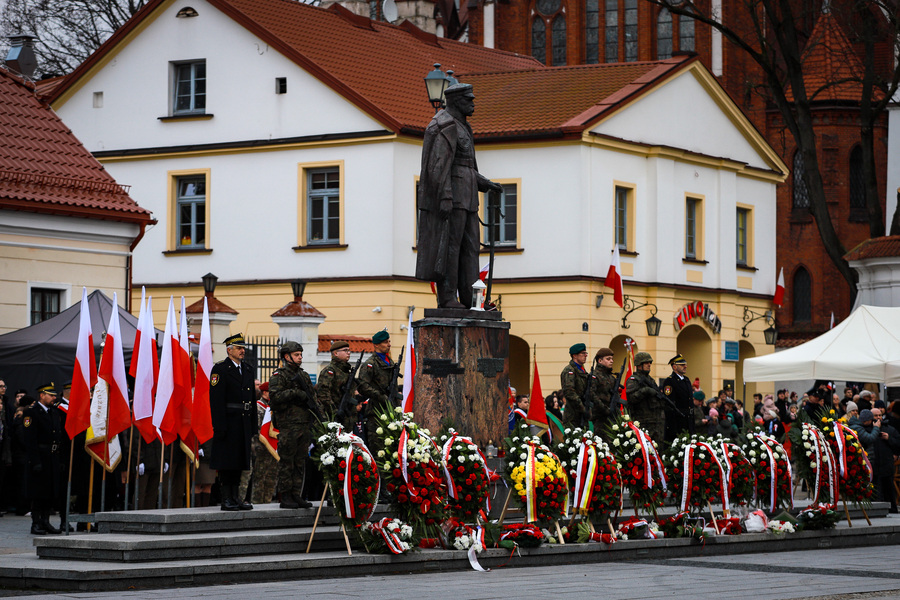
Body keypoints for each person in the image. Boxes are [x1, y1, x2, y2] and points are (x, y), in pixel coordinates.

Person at [415, 82, 504, 309]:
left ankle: (470, 298)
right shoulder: (443, 125)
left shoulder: (464, 126)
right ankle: (447, 297)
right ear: (455, 101)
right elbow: (437, 167)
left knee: (471, 248)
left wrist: (485, 184)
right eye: (469, 100)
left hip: (468, 198)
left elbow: (466, 167)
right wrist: (444, 197)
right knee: (450, 248)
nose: (473, 104)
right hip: (452, 198)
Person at [269, 341, 320, 509]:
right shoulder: (279, 375)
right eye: (297, 355)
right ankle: (285, 496)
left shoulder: (304, 375)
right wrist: (296, 393)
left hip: (304, 424)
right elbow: (275, 397)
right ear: (287, 356)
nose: (300, 358)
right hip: (289, 425)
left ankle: (297, 494)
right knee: (287, 462)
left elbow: (312, 397)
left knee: (300, 462)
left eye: (300, 355)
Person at [209, 333, 256, 512]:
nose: (242, 351)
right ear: (229, 350)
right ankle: (226, 498)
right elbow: (216, 400)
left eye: (243, 348)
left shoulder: (248, 369)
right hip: (228, 422)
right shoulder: (220, 369)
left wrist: (252, 425)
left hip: (243, 422)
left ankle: (236, 497)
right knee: (227, 462)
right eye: (239, 348)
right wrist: (219, 426)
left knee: (240, 462)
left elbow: (251, 398)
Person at [22, 383, 64, 534]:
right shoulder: (32, 413)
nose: (54, 397)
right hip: (39, 457)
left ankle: (45, 521)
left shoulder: (53, 412)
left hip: (52, 457)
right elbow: (29, 439)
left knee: (49, 492)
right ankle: (36, 523)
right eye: (51, 395)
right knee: (37, 492)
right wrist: (35, 461)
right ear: (42, 395)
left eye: (54, 395)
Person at [357, 330, 399, 445]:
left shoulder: (389, 361)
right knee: (378, 446)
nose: (389, 344)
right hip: (376, 412)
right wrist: (381, 396)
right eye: (385, 342)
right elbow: (362, 386)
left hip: (391, 410)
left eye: (389, 341)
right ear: (376, 345)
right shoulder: (370, 364)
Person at [625, 352, 665, 444]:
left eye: (650, 362)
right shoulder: (633, 380)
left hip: (655, 422)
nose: (649, 365)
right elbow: (631, 398)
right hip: (642, 422)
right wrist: (645, 391)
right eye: (646, 363)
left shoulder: (650, 380)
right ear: (639, 365)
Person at [317, 341, 358, 425]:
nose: (349, 353)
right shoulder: (329, 371)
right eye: (345, 350)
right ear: (336, 353)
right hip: (334, 416)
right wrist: (335, 411)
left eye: (349, 350)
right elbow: (323, 395)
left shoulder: (346, 371)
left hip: (348, 416)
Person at [251, 382, 278, 505]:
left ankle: (267, 502)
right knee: (260, 478)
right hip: (260, 448)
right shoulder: (258, 407)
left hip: (272, 449)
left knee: (271, 478)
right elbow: (257, 429)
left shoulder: (273, 408)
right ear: (265, 392)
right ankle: (257, 504)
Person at [560, 343, 593, 429]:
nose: (585, 355)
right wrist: (583, 408)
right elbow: (569, 392)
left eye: (586, 353)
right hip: (573, 416)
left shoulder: (582, 370)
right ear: (574, 355)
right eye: (583, 353)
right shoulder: (569, 370)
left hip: (582, 414)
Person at [661, 354, 692, 441]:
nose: (685, 366)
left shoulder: (686, 380)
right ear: (674, 367)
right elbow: (669, 404)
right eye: (682, 365)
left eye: (685, 364)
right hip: (677, 421)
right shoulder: (670, 381)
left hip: (688, 419)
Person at [589, 347, 616, 430]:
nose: (611, 361)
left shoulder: (611, 377)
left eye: (612, 359)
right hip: (599, 417)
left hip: (612, 416)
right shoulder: (594, 375)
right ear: (600, 361)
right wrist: (605, 409)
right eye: (608, 359)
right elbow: (592, 394)